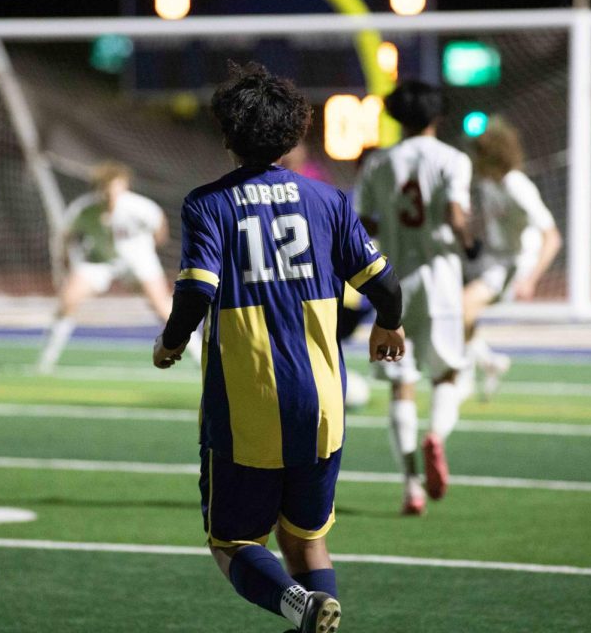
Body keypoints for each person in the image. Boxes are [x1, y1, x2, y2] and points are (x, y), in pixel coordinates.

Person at [152, 62, 405, 633]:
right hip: (322, 405)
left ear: (227, 135)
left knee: (233, 541)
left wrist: (171, 343)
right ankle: (314, 609)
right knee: (307, 540)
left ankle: (295, 604)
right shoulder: (328, 201)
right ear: (295, 133)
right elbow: (384, 284)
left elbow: (196, 290)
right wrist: (389, 323)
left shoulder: (207, 204)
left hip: (248, 407)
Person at [353, 80, 477, 516]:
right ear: (437, 115)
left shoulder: (378, 162)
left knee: (401, 385)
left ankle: (410, 486)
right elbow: (456, 214)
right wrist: (470, 243)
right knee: (446, 375)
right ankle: (436, 437)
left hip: (393, 282)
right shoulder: (453, 159)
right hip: (440, 278)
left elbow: (362, 222)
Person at [38, 161, 200, 372]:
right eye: (104, 187)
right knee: (67, 300)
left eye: (114, 187)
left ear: (124, 186)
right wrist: (64, 262)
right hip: (99, 261)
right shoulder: (84, 209)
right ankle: (46, 360)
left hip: (137, 261)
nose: (109, 193)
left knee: (162, 307)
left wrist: (147, 249)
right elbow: (66, 235)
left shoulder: (139, 207)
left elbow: (160, 225)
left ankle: (199, 355)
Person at [463, 118, 562, 399]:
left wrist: (530, 279)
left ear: (491, 155)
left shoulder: (517, 185)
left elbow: (552, 236)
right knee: (463, 312)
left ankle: (466, 376)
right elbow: (493, 219)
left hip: (516, 264)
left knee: (461, 307)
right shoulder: (487, 183)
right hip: (494, 260)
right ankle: (488, 363)